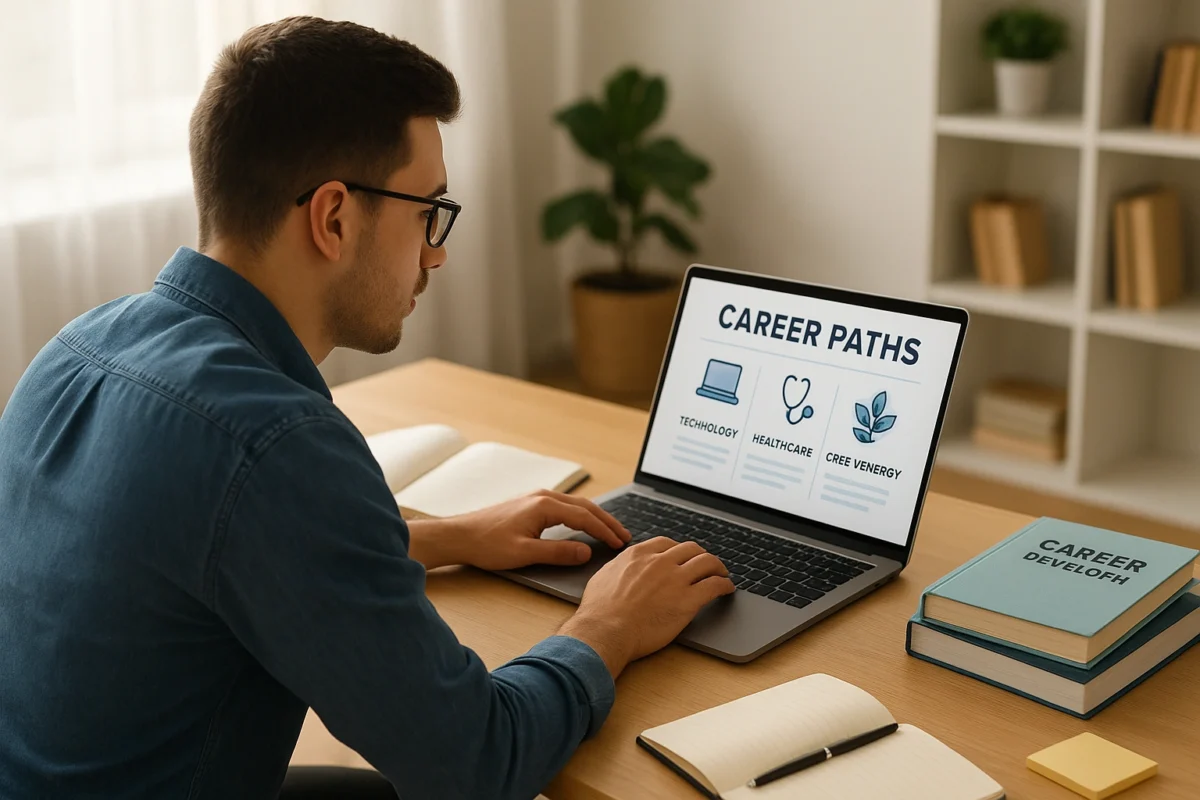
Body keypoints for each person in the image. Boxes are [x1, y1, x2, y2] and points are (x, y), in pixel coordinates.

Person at [0, 15, 735, 800]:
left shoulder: (77, 348)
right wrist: (608, 624)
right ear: (334, 217)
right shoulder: (276, 445)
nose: (438, 252)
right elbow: (475, 762)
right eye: (429, 211)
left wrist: (447, 537)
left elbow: (213, 554)